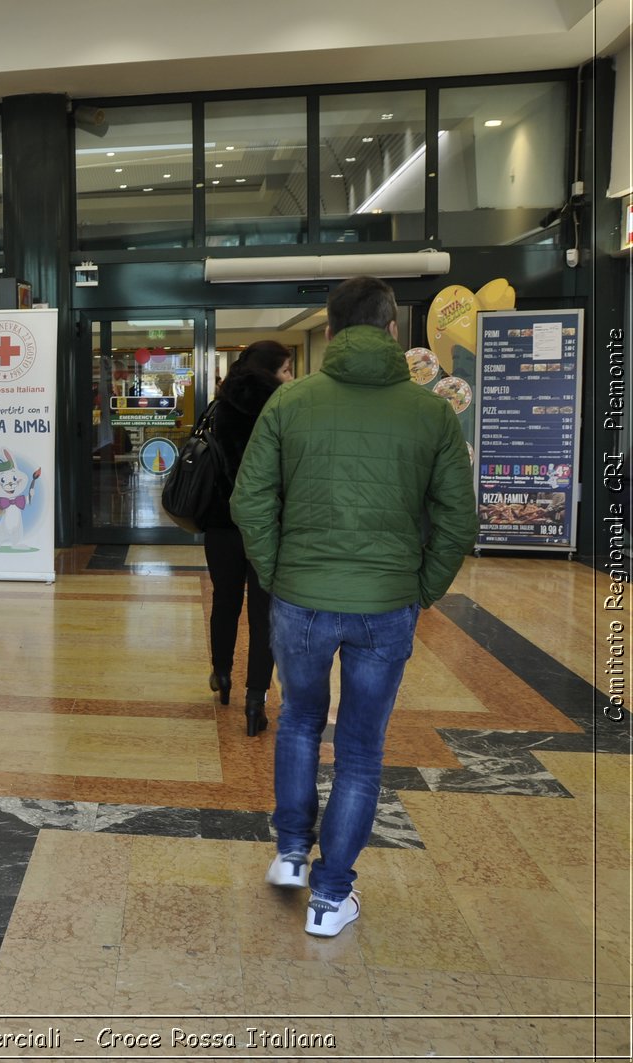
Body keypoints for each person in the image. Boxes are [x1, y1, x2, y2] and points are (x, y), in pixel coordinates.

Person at [231, 276, 476, 937]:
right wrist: (425, 585)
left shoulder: (291, 402)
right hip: (387, 603)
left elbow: (248, 500)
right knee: (362, 749)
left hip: (300, 601)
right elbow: (458, 516)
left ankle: (290, 855)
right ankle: (329, 897)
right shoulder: (429, 414)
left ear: (331, 332)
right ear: (394, 333)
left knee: (300, 724)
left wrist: (280, 572)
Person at [201, 340, 292, 736]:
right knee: (262, 614)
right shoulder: (284, 410)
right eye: (287, 370)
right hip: (266, 527)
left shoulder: (220, 406)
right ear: (269, 371)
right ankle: (256, 700)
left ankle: (222, 675)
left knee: (224, 601)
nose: (291, 377)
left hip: (222, 525)